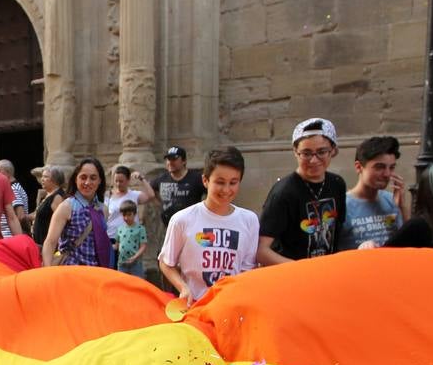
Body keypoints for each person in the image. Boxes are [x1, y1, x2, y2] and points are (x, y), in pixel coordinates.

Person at [158, 147, 259, 305]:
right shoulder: (182, 220)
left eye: (233, 183)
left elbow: (247, 269)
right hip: (195, 307)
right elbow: (166, 262)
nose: (226, 190)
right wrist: (183, 288)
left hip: (231, 306)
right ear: (205, 180)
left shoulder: (250, 220)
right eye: (219, 182)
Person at [257, 118, 347, 264]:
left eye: (321, 152)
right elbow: (261, 250)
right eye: (306, 153)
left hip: (327, 271)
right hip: (293, 276)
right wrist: (299, 269)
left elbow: (339, 233)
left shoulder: (337, 184)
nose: (314, 160)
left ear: (333, 151)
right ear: (295, 152)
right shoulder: (283, 192)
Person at [338, 136, 408, 250]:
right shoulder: (343, 205)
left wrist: (402, 208)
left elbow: (409, 243)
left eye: (391, 167)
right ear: (359, 167)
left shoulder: (392, 200)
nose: (387, 174)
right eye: (379, 167)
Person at [41, 157, 113, 268]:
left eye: (93, 178)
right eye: (83, 177)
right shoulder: (66, 207)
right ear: (76, 179)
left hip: (96, 274)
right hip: (71, 272)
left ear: (100, 181)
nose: (87, 182)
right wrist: (47, 270)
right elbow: (50, 242)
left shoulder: (103, 210)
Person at [150, 145, 206, 227]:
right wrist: (160, 204)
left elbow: (211, 193)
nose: (170, 162)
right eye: (168, 159)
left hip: (192, 225)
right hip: (170, 226)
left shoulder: (196, 178)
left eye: (174, 159)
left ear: (184, 161)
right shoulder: (162, 178)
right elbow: (151, 189)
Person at [29, 165, 66, 248]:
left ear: (55, 180)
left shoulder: (57, 197)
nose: (42, 179)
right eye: (42, 176)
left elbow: (61, 222)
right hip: (39, 244)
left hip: (47, 246)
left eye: (45, 177)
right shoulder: (48, 195)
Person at [0, 159, 29, 238]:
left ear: (8, 172)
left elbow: (21, 215)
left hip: (10, 237)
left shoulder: (13, 189)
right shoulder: (13, 187)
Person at [114, 201, 149, 279]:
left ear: (135, 214)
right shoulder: (120, 229)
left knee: (137, 284)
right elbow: (116, 246)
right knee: (122, 284)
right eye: (124, 215)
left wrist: (135, 257)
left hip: (136, 263)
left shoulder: (140, 229)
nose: (126, 218)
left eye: (129, 215)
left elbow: (143, 246)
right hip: (122, 263)